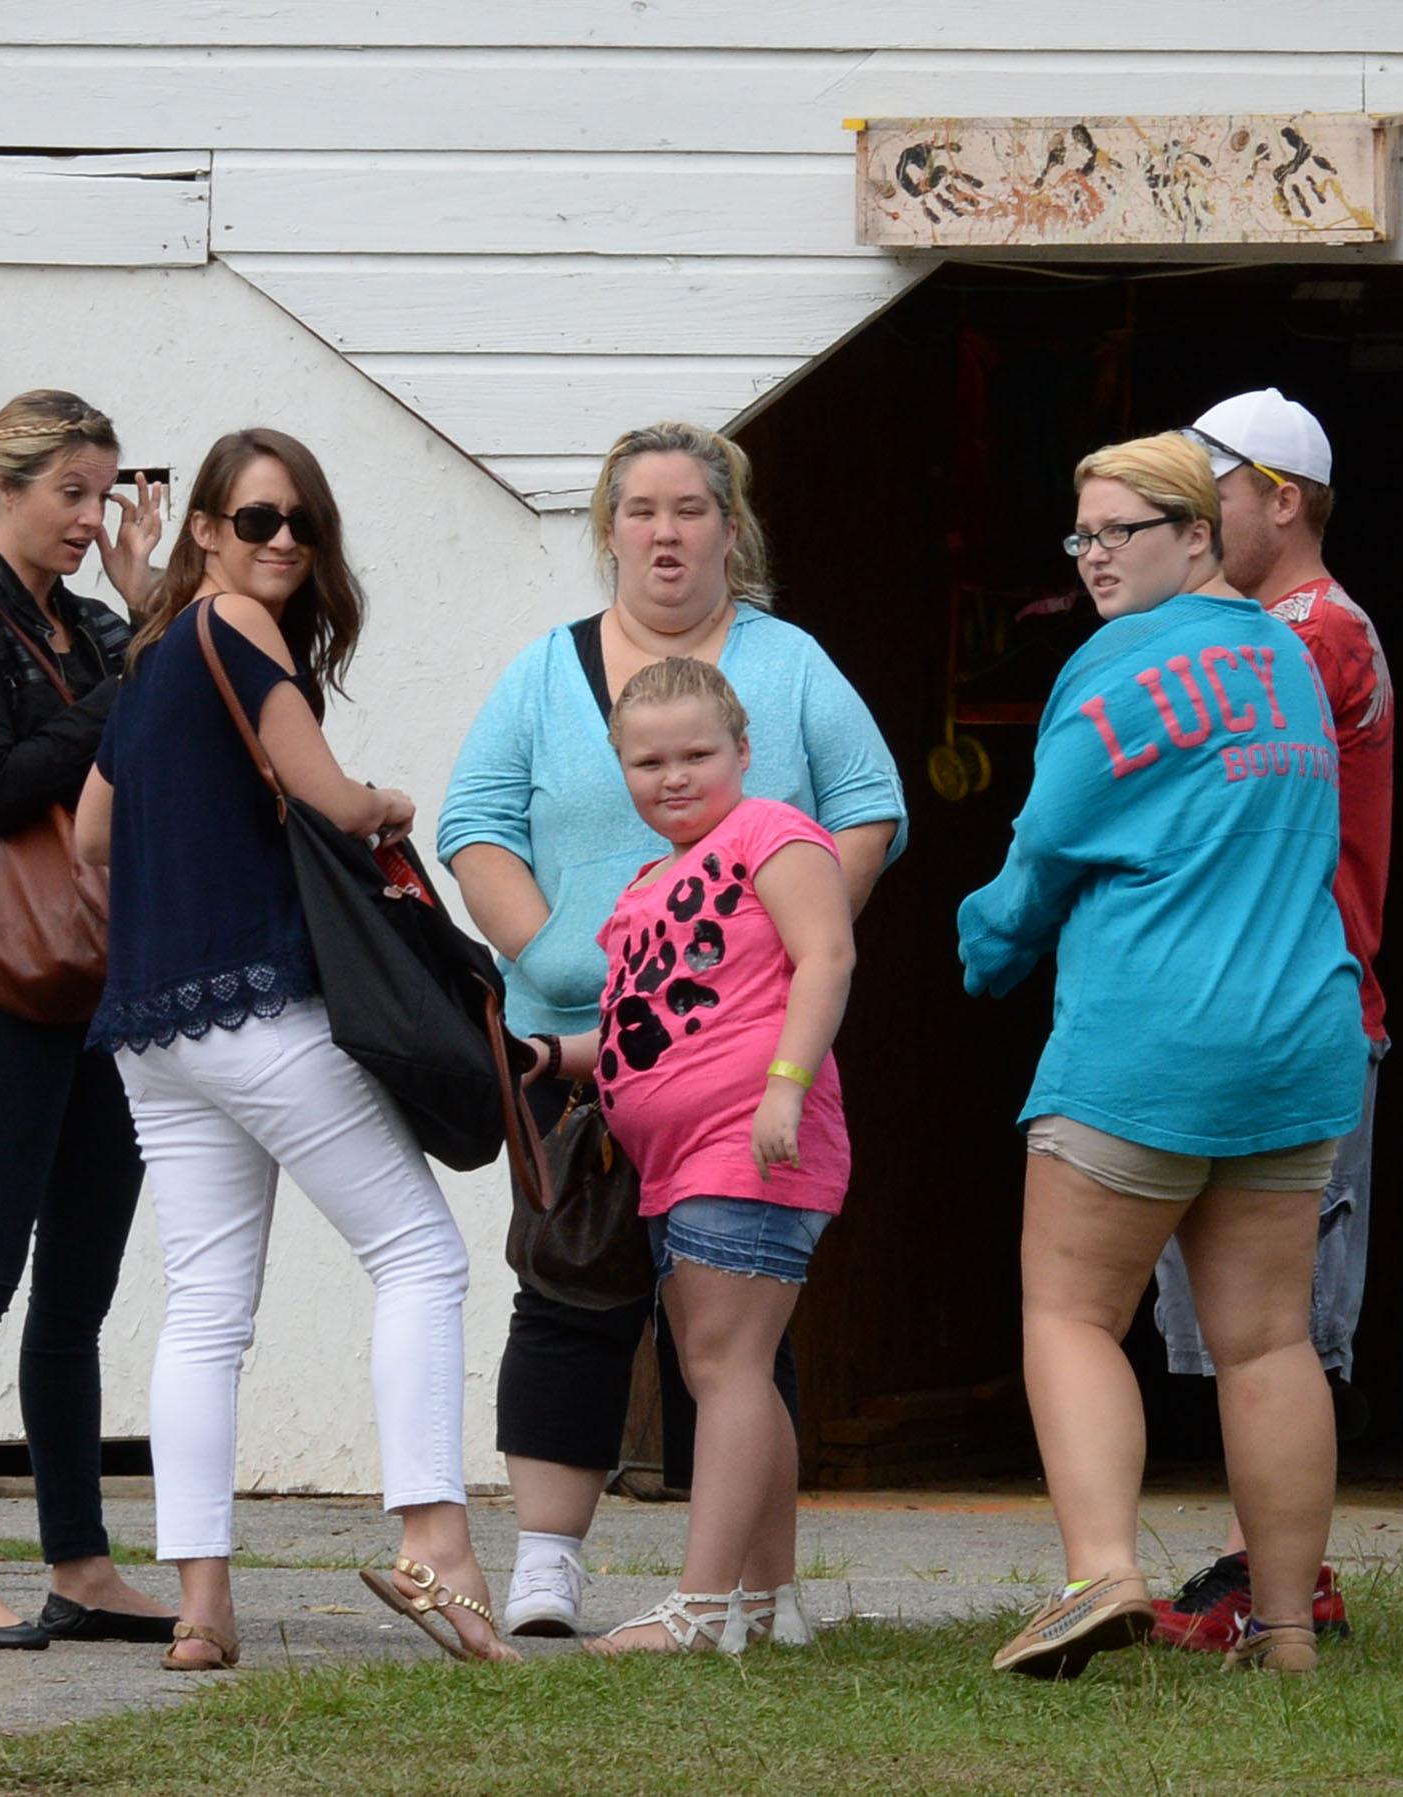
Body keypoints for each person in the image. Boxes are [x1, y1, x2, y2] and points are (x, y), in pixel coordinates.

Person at [437, 422, 906, 1641]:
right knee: (569, 1300)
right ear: (606, 532)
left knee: (737, 1329)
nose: (664, 532)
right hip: (583, 1045)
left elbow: (866, 810)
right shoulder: (545, 671)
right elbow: (475, 821)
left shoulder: (789, 665)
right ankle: (549, 1568)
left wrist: (777, 944)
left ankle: (752, 1595)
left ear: (728, 528)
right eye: (639, 510)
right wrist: (549, 957)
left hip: (742, 1061)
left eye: (690, 509)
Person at [75, 427, 516, 1669]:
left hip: (153, 1031)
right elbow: (323, 794)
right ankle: (439, 1550)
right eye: (255, 519)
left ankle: (203, 1608)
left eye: (299, 525)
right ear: (205, 530)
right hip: (257, 1006)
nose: (281, 543)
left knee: (206, 1311)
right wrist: (386, 804)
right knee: (420, 1256)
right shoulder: (234, 629)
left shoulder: (153, 651)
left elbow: (94, 839)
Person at [957, 432, 1366, 1678]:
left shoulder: (1112, 670)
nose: (1088, 559)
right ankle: (1286, 1631)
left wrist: (978, 947)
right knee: (1267, 1343)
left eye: (1116, 532)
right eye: (1077, 536)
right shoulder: (1285, 664)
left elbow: (1039, 860)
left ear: (1197, 535)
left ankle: (1101, 1578)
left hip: (1145, 1044)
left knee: (1070, 1315)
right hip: (1298, 1041)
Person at [0, 389, 172, 1650]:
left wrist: (147, 612)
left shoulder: (100, 625)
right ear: (3, 487)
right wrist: (122, 673)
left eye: (102, 494)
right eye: (69, 492)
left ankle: (81, 1560)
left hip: (104, 983)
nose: (87, 518)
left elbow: (166, 753)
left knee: (76, 1294)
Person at [525, 657, 854, 1653]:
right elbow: (637, 1030)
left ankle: (702, 1608)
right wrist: (545, 1054)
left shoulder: (772, 835)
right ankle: (766, 1602)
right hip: (671, 1167)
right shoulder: (643, 887)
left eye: (696, 755)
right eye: (647, 761)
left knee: (722, 1366)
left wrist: (785, 1087)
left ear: (744, 753)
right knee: (731, 1368)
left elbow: (827, 955)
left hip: (750, 1140)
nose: (673, 777)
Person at [1151, 389, 1394, 1652]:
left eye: (1212, 500)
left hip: (1299, 1011)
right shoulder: (1267, 629)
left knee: (1282, 1320)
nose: (1192, 528)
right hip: (1255, 1010)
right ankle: (1265, 1573)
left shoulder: (1315, 634)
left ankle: (1291, 1584)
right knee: (1243, 1317)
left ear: (1279, 498)